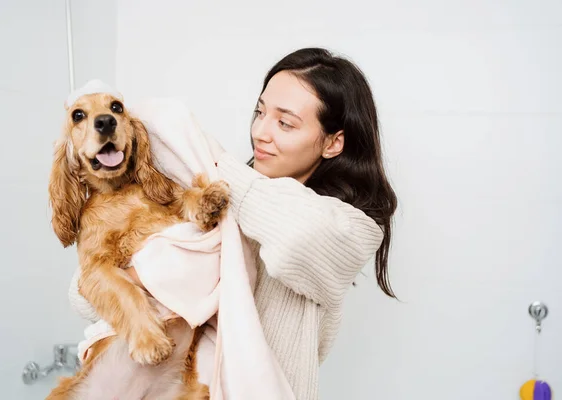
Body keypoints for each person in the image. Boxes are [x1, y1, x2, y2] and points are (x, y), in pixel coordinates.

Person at [69, 47, 397, 399]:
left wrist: (210, 159)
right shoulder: (222, 200)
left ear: (333, 143)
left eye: (285, 123)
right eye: (260, 112)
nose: (261, 133)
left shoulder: (352, 227)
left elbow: (295, 241)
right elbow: (81, 294)